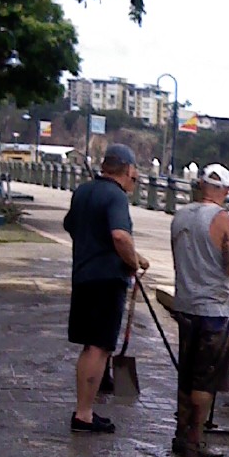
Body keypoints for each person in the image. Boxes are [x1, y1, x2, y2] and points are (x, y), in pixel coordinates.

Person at [63, 144, 149, 434]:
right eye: (134, 177)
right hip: (106, 281)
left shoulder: (83, 192)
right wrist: (132, 262)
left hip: (84, 276)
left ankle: (83, 409)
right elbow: (120, 236)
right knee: (99, 348)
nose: (134, 181)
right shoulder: (115, 196)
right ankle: (84, 415)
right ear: (127, 170)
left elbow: (71, 225)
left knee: (90, 346)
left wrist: (132, 257)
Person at [170, 162, 229, 457]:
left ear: (201, 185)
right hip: (214, 309)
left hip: (185, 304)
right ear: (226, 190)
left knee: (186, 374)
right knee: (205, 378)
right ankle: (195, 439)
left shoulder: (180, 216)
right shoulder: (224, 220)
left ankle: (180, 433)